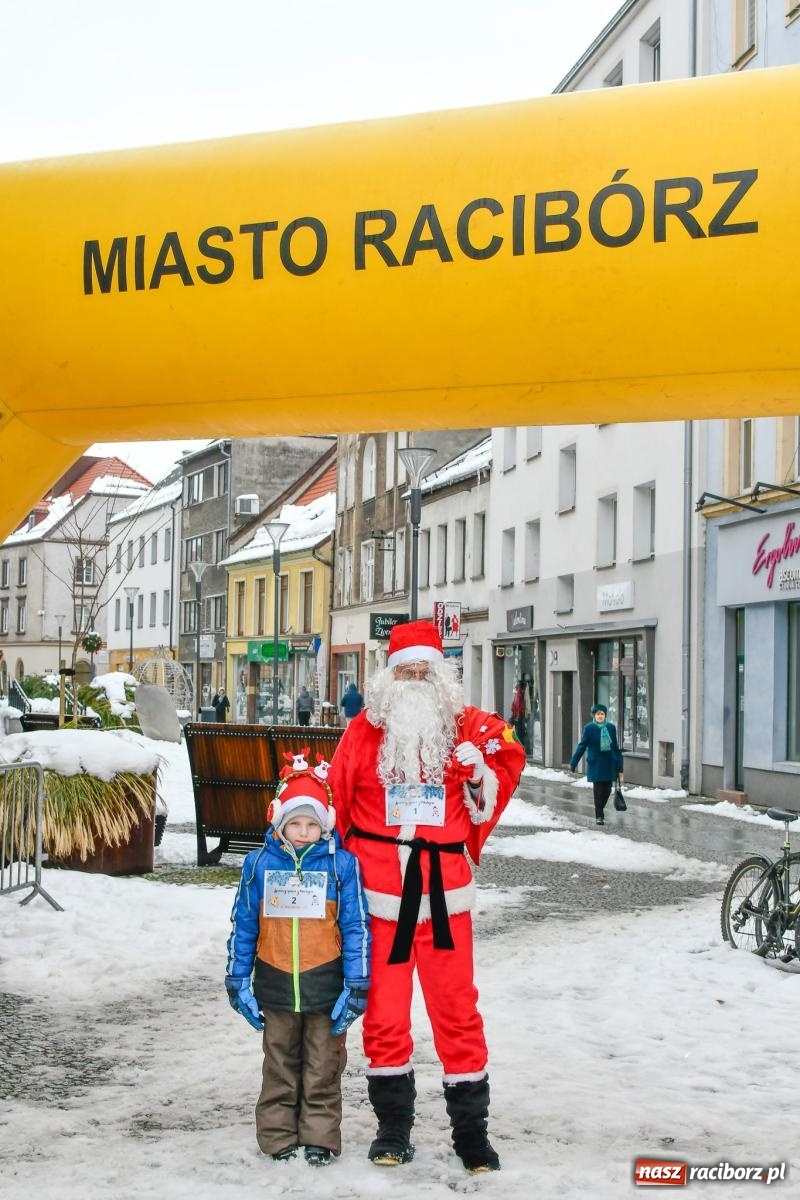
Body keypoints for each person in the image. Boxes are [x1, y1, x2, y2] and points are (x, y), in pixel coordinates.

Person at [327, 620, 526, 1175]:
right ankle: (393, 1127)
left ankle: (471, 1134)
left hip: (445, 900)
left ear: (441, 676)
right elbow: (337, 806)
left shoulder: (468, 728)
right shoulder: (362, 733)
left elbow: (508, 758)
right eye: (406, 670)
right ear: (388, 677)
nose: (415, 679)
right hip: (379, 902)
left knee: (457, 1011)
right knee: (385, 1016)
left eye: (424, 670)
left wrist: (476, 771)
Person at [225, 756, 371, 1166]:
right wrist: (238, 978)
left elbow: (356, 924)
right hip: (274, 982)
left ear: (325, 824)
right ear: (279, 824)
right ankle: (276, 1137)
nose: (304, 832)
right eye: (295, 823)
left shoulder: (342, 866)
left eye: (312, 824)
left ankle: (321, 1137)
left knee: (324, 1065)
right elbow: (244, 923)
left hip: (325, 983)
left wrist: (357, 983)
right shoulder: (258, 864)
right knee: (279, 1065)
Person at [569, 702, 624, 826]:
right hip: (596, 764)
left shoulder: (611, 728)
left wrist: (620, 763)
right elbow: (582, 746)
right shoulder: (589, 728)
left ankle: (600, 808)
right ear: (594, 715)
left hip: (609, 762)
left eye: (602, 714)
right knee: (598, 790)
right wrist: (573, 762)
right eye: (598, 714)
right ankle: (599, 815)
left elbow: (615, 747)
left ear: (605, 715)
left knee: (608, 789)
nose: (600, 716)